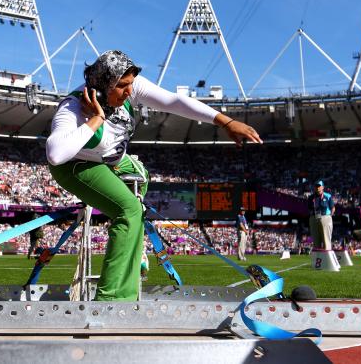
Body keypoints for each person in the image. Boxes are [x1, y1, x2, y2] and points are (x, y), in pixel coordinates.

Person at [46, 50, 262, 301]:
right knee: (129, 211)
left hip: (113, 160)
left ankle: (133, 246)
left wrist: (224, 121)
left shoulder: (130, 87)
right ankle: (111, 301)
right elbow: (55, 154)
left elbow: (173, 101)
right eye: (122, 86)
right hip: (77, 163)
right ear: (103, 86)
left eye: (131, 84)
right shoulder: (72, 108)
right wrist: (96, 119)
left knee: (142, 175)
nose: (129, 91)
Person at [309, 180, 335, 250]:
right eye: (316, 186)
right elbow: (309, 208)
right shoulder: (311, 197)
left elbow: (333, 208)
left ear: (323, 187)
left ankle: (327, 258)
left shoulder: (328, 196)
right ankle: (318, 258)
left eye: (319, 186)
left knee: (326, 240)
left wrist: (329, 216)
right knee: (316, 241)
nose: (317, 188)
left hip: (325, 217)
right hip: (314, 218)